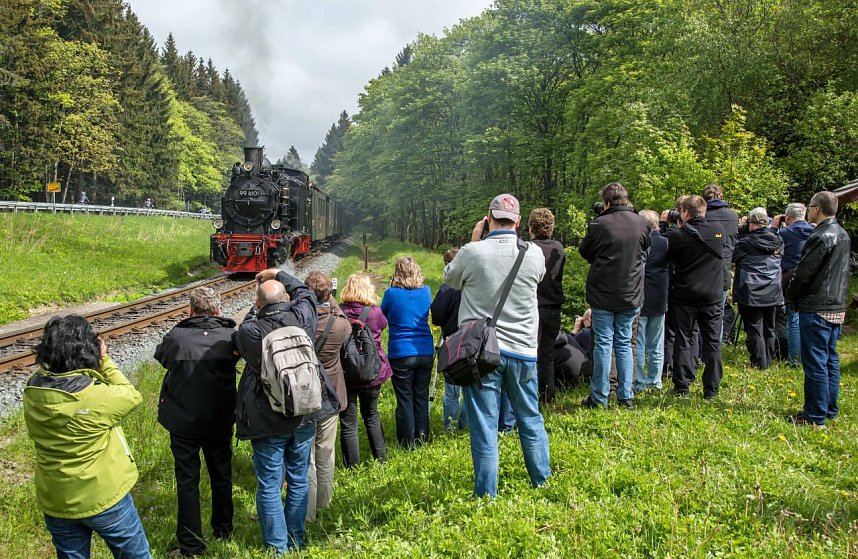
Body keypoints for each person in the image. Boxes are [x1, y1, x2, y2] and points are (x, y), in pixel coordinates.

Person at [444, 193, 550, 498]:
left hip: (481, 353)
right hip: (523, 349)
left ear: (488, 219)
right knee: (530, 417)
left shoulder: (472, 252)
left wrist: (475, 239)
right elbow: (539, 278)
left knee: (484, 425)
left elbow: (450, 280)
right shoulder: (533, 254)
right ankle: (542, 483)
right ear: (518, 221)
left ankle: (486, 494)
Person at [23, 315, 150, 558]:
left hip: (57, 498)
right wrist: (104, 361)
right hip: (104, 496)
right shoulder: (96, 397)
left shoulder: (33, 391)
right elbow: (131, 395)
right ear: (87, 351)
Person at [232, 269, 338, 553]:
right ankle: (296, 539)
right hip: (304, 413)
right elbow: (306, 292)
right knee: (299, 477)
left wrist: (255, 309)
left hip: (266, 417)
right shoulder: (303, 316)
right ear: (287, 298)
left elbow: (242, 335)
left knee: (268, 484)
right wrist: (278, 273)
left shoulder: (250, 331)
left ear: (258, 304)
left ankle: (277, 547)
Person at [154, 287, 240, 557]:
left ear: (190, 310)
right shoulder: (231, 337)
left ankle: (191, 542)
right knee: (221, 474)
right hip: (220, 417)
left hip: (183, 420)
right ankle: (224, 529)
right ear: (218, 310)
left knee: (187, 480)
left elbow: (163, 359)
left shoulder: (177, 337)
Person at [578, 183, 650, 409]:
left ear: (607, 202)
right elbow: (644, 249)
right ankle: (625, 395)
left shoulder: (599, 224)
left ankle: (600, 396)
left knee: (603, 344)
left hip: (603, 293)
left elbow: (584, 251)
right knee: (625, 343)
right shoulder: (642, 224)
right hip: (631, 292)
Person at [786, 191, 852, 428]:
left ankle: (814, 414)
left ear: (817, 209)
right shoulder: (842, 234)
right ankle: (829, 408)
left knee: (815, 361)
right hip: (836, 303)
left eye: (810, 207)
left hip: (817, 304)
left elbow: (804, 273)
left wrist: (791, 297)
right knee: (830, 359)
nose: (809, 211)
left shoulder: (821, 235)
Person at [664, 195, 725, 399]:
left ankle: (682, 384)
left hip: (685, 294)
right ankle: (711, 388)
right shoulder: (719, 231)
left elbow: (668, 257)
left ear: (686, 213)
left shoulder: (677, 236)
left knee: (683, 339)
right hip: (712, 295)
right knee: (713, 341)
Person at [302, 272, 350, 522]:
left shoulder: (299, 323)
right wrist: (330, 299)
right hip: (331, 394)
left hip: (303, 395)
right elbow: (341, 316)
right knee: (326, 452)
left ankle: (307, 513)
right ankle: (324, 504)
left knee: (306, 457)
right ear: (329, 295)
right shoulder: (340, 325)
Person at [381, 256, 435, 447]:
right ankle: (422, 437)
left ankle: (407, 442)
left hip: (401, 351)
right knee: (420, 395)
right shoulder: (426, 291)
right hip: (425, 350)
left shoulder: (391, 293)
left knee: (404, 398)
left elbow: (382, 317)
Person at [338, 273, 392, 466]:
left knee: (348, 421)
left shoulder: (339, 312)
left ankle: (352, 466)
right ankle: (381, 458)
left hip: (347, 373)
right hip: (372, 372)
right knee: (371, 415)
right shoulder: (375, 312)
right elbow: (383, 326)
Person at [733, 208, 783, 370]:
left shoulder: (744, 243)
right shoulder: (779, 241)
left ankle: (759, 363)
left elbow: (733, 256)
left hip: (751, 291)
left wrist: (739, 232)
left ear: (752, 226)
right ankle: (768, 360)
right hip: (773, 289)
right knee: (769, 327)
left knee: (754, 328)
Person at [528, 208, 566, 404]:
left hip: (533, 307)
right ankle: (547, 395)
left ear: (530, 227)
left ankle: (529, 396)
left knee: (530, 353)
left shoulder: (527, 249)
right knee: (547, 354)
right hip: (554, 306)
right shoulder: (558, 248)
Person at [772, 203, 814, 366]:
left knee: (793, 318)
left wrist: (774, 227)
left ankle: (794, 360)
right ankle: (808, 356)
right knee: (809, 318)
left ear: (787, 217)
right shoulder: (815, 232)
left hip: (790, 278)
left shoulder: (784, 233)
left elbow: (769, 246)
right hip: (812, 278)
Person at [430, 247, 466, 430]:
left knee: (452, 389)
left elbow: (436, 317)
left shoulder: (446, 289)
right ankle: (466, 425)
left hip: (452, 341)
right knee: (469, 386)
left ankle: (449, 427)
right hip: (472, 341)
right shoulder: (472, 284)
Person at [635, 210, 669, 392]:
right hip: (659, 296)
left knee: (639, 343)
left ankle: (639, 381)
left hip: (640, 295)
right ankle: (655, 381)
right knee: (656, 343)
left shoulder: (639, 242)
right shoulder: (665, 243)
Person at [702, 184, 740, 333]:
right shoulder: (733, 216)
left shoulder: (702, 216)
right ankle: (715, 351)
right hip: (723, 270)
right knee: (718, 316)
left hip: (702, 271)